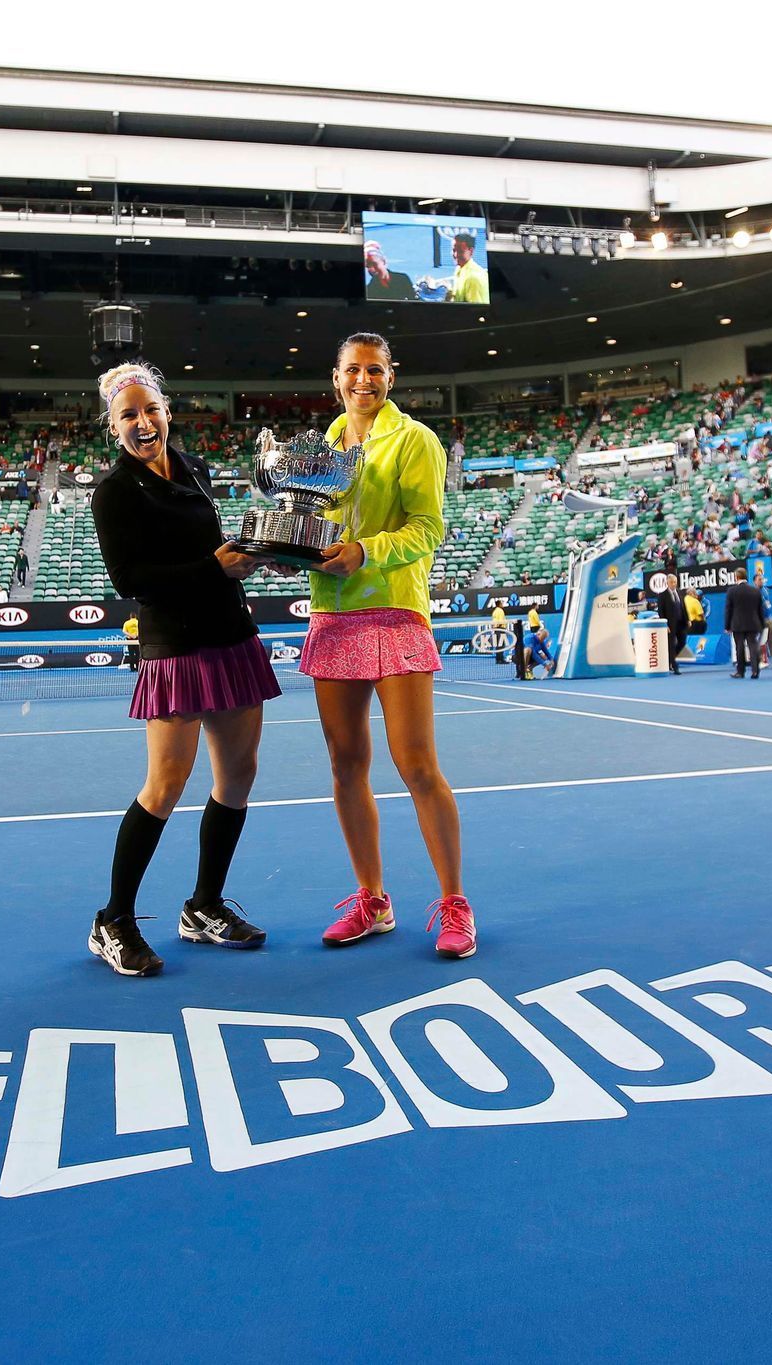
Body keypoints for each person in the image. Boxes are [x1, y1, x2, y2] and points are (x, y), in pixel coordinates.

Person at [87, 363, 280, 978]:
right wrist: (215, 568)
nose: (143, 423)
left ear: (167, 411)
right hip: (175, 645)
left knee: (238, 776)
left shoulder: (194, 467)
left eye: (151, 410)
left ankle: (204, 906)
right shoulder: (114, 491)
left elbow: (210, 551)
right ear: (113, 426)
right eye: (129, 415)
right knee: (166, 783)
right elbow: (131, 580)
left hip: (231, 633)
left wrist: (257, 555)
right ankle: (113, 920)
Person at [306, 332, 476, 959]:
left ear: (390, 377)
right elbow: (314, 525)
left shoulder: (416, 440)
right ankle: (372, 899)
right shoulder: (319, 448)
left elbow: (428, 529)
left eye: (374, 370)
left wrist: (365, 552)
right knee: (346, 765)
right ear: (336, 377)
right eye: (353, 370)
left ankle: (455, 904)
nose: (363, 380)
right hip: (333, 615)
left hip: (396, 612)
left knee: (417, 765)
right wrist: (290, 549)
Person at [420, 232, 489, 304]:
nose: (456, 255)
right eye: (454, 250)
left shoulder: (473, 279)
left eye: (460, 251)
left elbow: (476, 309)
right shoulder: (459, 268)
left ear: (471, 251)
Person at [724, 568, 766, 679]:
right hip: (753, 623)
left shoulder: (731, 591)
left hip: (737, 624)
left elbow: (728, 609)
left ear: (736, 577)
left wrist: (727, 626)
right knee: (753, 646)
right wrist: (762, 624)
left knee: (739, 647)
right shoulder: (755, 590)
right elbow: (760, 609)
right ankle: (755, 671)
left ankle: (740, 672)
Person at [655, 572, 689, 674]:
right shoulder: (662, 595)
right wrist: (665, 625)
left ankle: (670, 659)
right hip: (670, 624)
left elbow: (684, 607)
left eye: (675, 582)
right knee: (671, 645)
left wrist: (688, 619)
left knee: (682, 642)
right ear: (667, 583)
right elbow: (661, 611)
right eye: (671, 582)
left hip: (681, 622)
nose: (674, 584)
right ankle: (675, 666)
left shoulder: (680, 592)